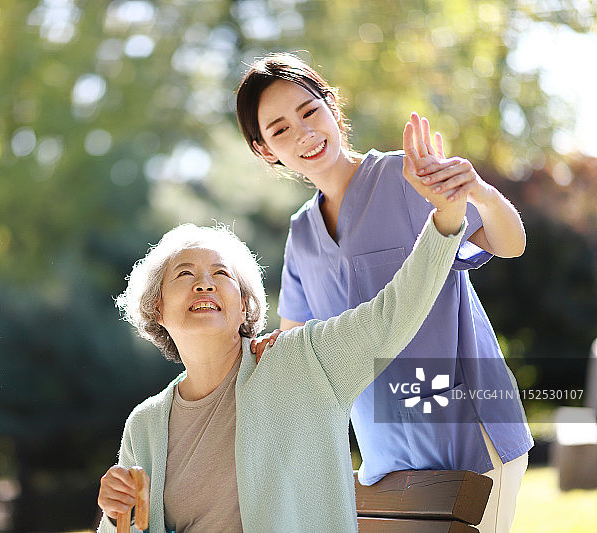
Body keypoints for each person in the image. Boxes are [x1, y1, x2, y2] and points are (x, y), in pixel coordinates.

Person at [95, 143, 467, 532]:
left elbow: (392, 315)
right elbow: (124, 528)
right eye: (185, 274)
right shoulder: (145, 425)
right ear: (157, 308)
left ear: (243, 308)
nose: (204, 284)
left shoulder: (302, 363)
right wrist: (115, 512)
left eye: (221, 275)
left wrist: (446, 218)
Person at [236, 52, 532, 533]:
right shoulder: (302, 236)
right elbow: (296, 351)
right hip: (386, 460)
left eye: (310, 112)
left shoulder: (406, 176)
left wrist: (478, 191)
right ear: (265, 149)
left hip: (467, 431)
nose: (305, 134)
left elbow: (511, 244)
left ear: (332, 107)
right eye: (281, 129)